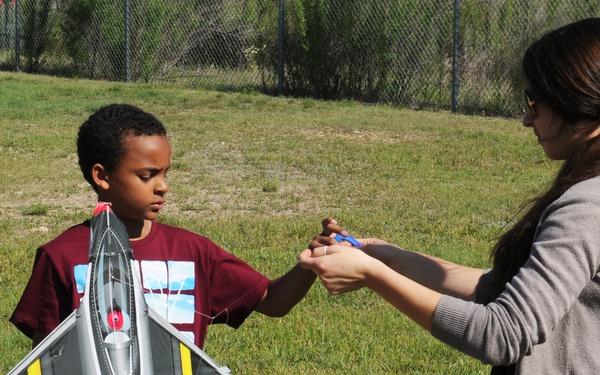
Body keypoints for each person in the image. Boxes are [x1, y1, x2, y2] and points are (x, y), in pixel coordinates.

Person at [299, 18, 600, 374]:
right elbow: (497, 289)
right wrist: (388, 259)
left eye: (532, 102)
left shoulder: (585, 207)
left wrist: (371, 276)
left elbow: (503, 333)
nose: (525, 118)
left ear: (578, 101)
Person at [11, 103, 316, 350]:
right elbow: (46, 357)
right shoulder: (62, 255)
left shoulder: (193, 252)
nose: (163, 187)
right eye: (147, 175)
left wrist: (310, 264)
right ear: (101, 176)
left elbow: (272, 302)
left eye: (165, 173)